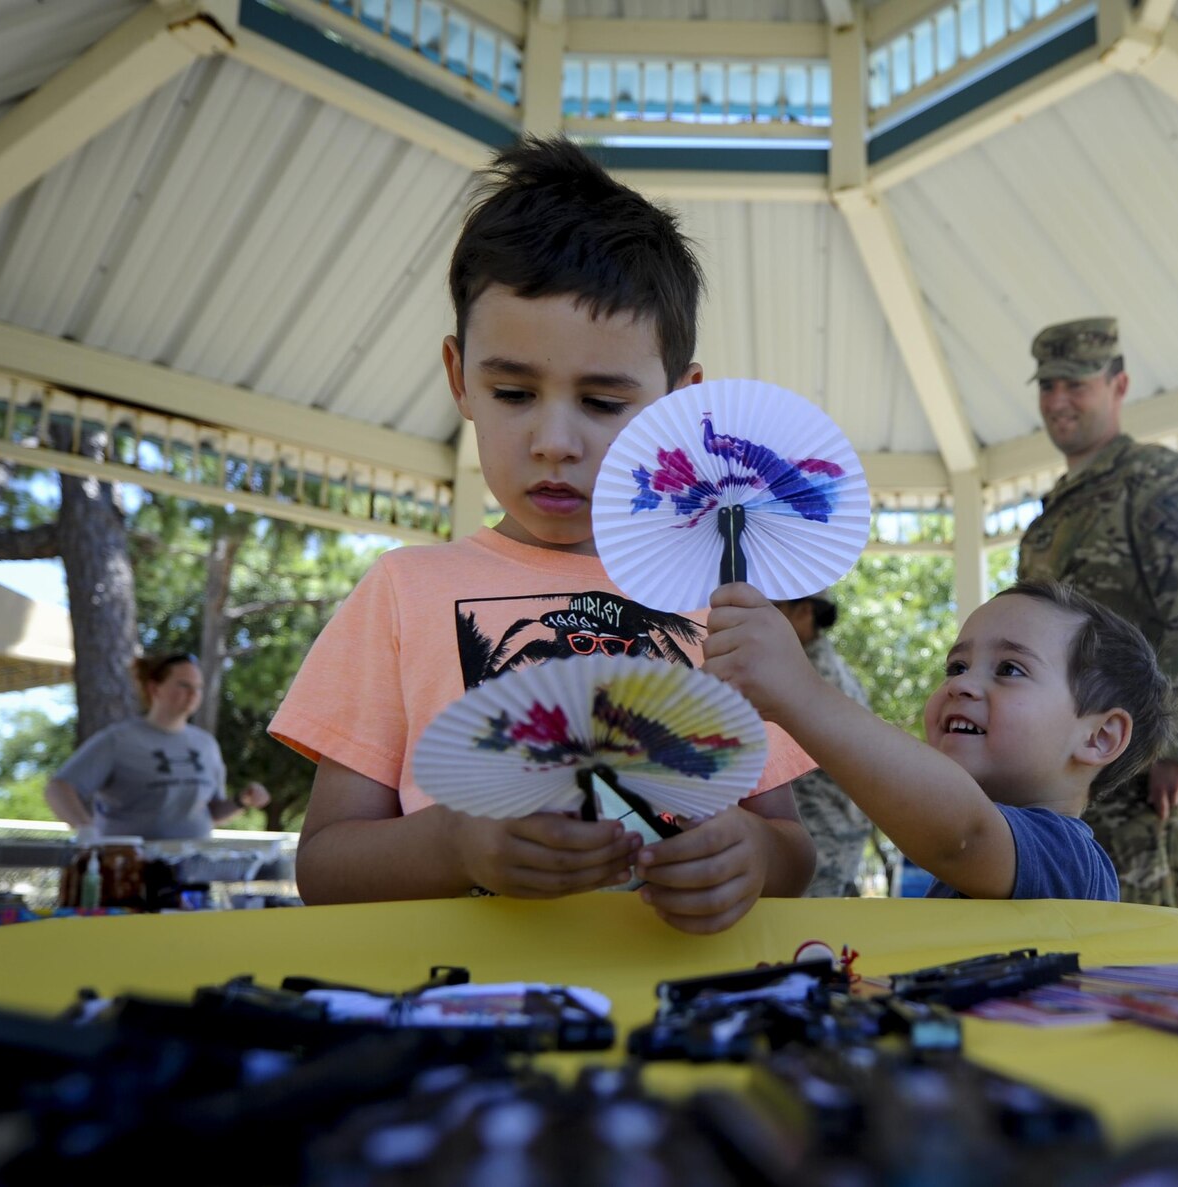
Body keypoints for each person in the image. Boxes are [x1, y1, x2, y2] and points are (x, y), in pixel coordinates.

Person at [271, 136, 817, 934]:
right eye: (514, 390)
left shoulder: (718, 605)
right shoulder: (400, 592)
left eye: (603, 402)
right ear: (461, 378)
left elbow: (791, 848)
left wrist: (751, 858)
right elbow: (323, 867)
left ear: (679, 400)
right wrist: (457, 844)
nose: (555, 440)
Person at [705, 579, 1175, 901]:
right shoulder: (973, 864)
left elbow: (962, 835)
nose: (960, 685)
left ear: (1099, 737)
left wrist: (800, 694)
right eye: (957, 666)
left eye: (1010, 670)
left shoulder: (1068, 860)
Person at [1016, 317, 1178, 908]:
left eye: (1076, 384)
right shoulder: (1052, 515)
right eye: (1047, 386)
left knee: (1143, 950)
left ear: (1118, 386)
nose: (1058, 401)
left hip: (1144, 773)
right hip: (1065, 776)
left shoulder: (1161, 481)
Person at [47, 653, 269, 840]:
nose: (193, 694)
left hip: (192, 876)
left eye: (198, 687)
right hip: (131, 873)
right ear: (154, 688)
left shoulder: (206, 744)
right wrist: (86, 830)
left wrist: (242, 800)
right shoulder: (118, 740)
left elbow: (210, 812)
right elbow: (59, 788)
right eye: (183, 685)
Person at [773, 592, 876, 897]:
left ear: (805, 612)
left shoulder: (809, 676)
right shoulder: (813, 667)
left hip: (823, 836)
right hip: (823, 834)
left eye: (774, 607)